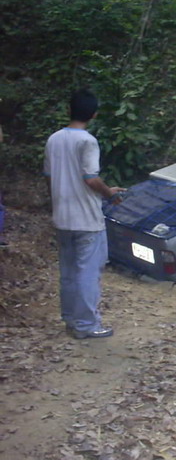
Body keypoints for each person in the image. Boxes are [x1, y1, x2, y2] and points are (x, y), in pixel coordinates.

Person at [43, 89, 125, 339]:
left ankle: (70, 318)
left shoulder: (53, 139)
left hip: (62, 216)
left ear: (69, 110)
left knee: (68, 272)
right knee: (88, 272)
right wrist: (109, 193)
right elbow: (90, 178)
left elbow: (49, 177)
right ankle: (86, 324)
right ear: (94, 114)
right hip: (87, 219)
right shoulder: (87, 142)